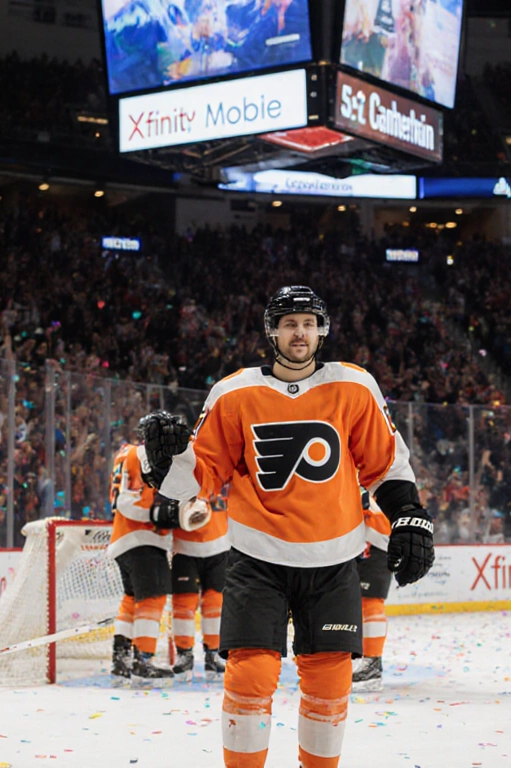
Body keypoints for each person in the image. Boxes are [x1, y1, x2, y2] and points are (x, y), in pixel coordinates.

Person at [146, 285, 435, 768]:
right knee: (250, 676)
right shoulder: (233, 392)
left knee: (330, 679)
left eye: (307, 323)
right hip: (258, 560)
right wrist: (169, 462)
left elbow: (384, 464)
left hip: (335, 560)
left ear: (320, 330)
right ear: (271, 332)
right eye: (288, 323)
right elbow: (198, 480)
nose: (298, 332)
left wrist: (410, 514)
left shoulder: (355, 385)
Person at [105, 418, 177, 688]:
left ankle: (121, 659)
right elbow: (128, 501)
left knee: (131, 598)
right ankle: (142, 661)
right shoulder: (145, 455)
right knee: (153, 598)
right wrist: (154, 513)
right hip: (141, 538)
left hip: (123, 538)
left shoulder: (125, 452)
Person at [169, 486, 229, 682]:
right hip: (184, 548)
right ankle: (184, 654)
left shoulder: (223, 466)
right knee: (183, 605)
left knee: (216, 604)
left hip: (219, 545)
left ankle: (214, 654)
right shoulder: (179, 465)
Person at [352, 489, 392, 692]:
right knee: (356, 603)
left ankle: (372, 665)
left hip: (375, 544)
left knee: (370, 603)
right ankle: (365, 662)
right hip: (367, 544)